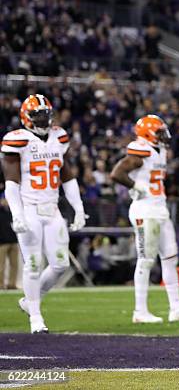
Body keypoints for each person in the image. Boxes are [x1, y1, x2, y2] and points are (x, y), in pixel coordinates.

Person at [1, 94, 87, 333]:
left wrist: (78, 208)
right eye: (36, 115)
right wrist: (17, 214)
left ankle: (30, 301)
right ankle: (36, 318)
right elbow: (11, 184)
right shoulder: (17, 140)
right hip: (29, 209)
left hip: (53, 209)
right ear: (26, 118)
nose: (42, 119)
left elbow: (67, 176)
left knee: (60, 264)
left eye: (44, 114)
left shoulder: (59, 137)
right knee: (33, 264)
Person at [110, 114, 179, 324]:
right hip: (145, 210)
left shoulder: (159, 151)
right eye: (159, 132)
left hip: (160, 208)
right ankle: (139, 311)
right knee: (146, 260)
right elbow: (116, 173)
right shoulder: (140, 151)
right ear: (148, 134)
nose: (163, 136)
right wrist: (135, 186)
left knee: (170, 258)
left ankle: (176, 309)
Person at [0, 194, 19, 289]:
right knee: (1, 265)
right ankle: (0, 284)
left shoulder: (12, 212)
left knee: (14, 265)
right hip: (2, 242)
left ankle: (12, 284)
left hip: (13, 241)